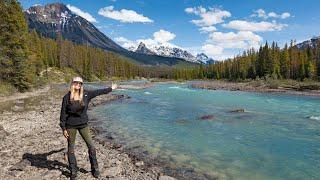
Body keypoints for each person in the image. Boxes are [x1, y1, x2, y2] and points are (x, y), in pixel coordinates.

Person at [59, 76, 117, 179]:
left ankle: (95, 169)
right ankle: (73, 171)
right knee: (71, 150)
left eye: (80, 83)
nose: (78, 84)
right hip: (70, 126)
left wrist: (110, 88)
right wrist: (63, 128)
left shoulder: (86, 94)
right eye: (76, 82)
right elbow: (63, 114)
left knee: (92, 147)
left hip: (83, 125)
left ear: (82, 85)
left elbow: (99, 92)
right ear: (72, 83)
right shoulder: (66, 97)